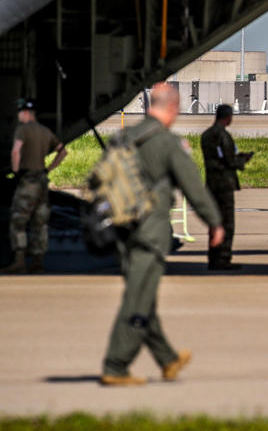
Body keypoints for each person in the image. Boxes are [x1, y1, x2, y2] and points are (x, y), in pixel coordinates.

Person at [101, 82, 225, 386]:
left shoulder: (123, 137)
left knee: (143, 297)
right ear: (172, 107)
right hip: (150, 232)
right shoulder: (167, 143)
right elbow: (193, 186)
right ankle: (116, 366)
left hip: (121, 229)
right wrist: (214, 222)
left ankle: (168, 359)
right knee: (137, 300)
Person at [1, 98, 67, 274]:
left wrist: (16, 172)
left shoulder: (22, 130)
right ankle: (38, 262)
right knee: (40, 221)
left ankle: (19, 260)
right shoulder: (45, 131)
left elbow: (16, 150)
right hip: (42, 180)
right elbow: (63, 151)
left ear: (24, 112)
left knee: (18, 219)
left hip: (28, 180)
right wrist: (49, 168)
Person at [200, 104, 252, 270]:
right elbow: (229, 160)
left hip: (211, 183)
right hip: (224, 184)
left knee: (214, 222)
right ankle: (222, 258)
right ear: (227, 116)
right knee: (227, 223)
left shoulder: (206, 135)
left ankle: (213, 256)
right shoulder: (223, 135)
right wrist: (243, 159)